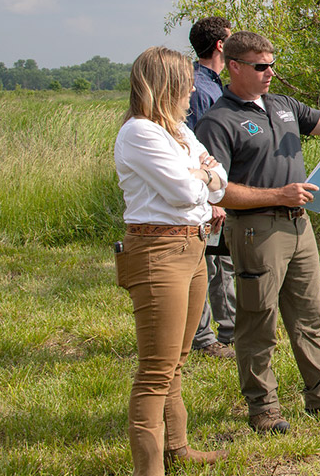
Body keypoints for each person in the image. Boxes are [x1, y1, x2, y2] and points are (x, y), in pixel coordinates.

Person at [194, 31, 320, 434]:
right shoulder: (218, 121)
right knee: (258, 320)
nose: (270, 72)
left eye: (272, 63)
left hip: (299, 226)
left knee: (309, 316)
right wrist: (279, 193)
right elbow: (215, 188)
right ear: (234, 66)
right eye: (261, 66)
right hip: (256, 230)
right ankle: (263, 409)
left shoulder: (283, 105)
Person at [113, 46, 230, 475]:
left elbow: (220, 184)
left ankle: (177, 448)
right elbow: (186, 191)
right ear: (166, 85)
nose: (192, 92)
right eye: (186, 85)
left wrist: (202, 175)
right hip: (157, 252)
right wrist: (200, 173)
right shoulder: (139, 132)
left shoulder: (179, 129)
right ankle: (150, 469)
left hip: (192, 247)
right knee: (155, 370)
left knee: (177, 360)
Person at [186, 16, 235, 360]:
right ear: (221, 45)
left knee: (220, 262)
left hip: (219, 191)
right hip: (209, 196)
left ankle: (230, 330)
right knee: (208, 265)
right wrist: (213, 200)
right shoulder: (202, 91)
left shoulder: (208, 84)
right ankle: (203, 338)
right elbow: (202, 151)